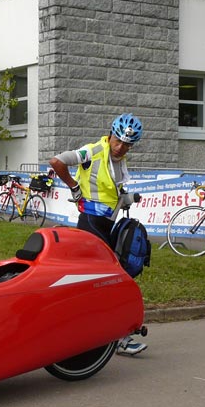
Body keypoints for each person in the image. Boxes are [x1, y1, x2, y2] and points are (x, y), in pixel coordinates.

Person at [48, 112, 147, 356]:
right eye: (118, 140)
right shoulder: (92, 151)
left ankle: (85, 330)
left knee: (99, 280)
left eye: (127, 144)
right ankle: (120, 337)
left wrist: (127, 198)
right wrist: (74, 187)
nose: (121, 147)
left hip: (106, 223)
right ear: (111, 133)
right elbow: (57, 161)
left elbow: (110, 189)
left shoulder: (120, 161)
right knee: (111, 277)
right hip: (91, 222)